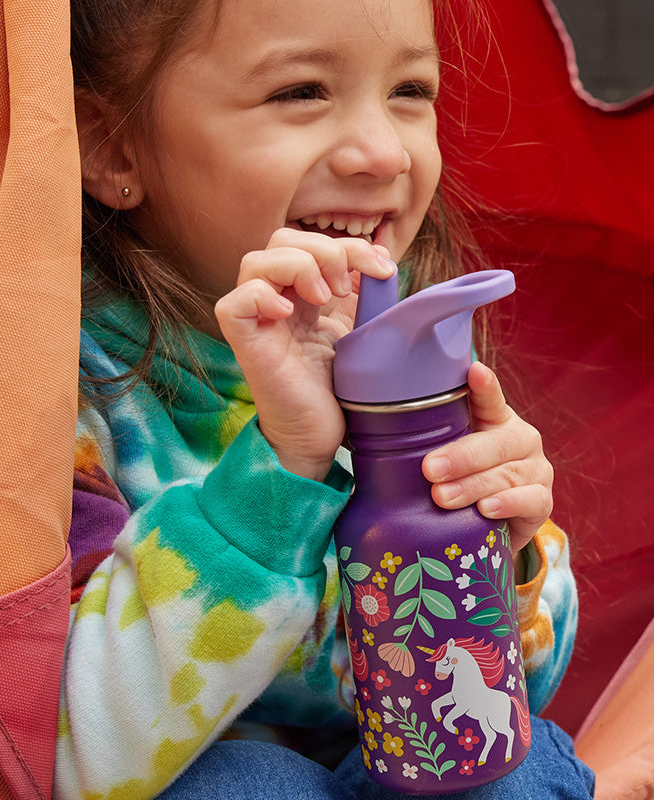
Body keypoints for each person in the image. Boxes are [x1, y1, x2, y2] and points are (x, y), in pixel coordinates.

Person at [58, 0, 588, 797]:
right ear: (110, 144)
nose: (383, 152)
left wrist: (499, 553)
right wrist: (279, 472)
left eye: (411, 90)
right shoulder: (68, 383)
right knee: (245, 782)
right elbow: (69, 753)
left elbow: (505, 704)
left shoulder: (412, 341)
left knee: (513, 772)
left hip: (395, 766)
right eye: (301, 92)